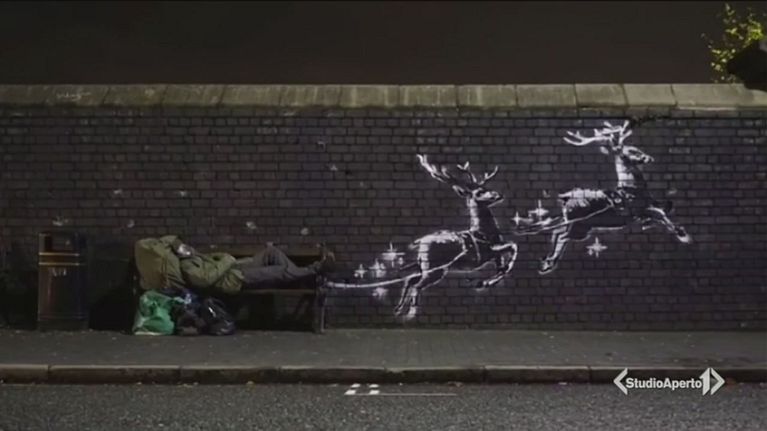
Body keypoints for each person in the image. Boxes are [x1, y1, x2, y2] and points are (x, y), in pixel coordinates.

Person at [170, 238, 334, 295]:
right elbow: (205, 280)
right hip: (234, 279)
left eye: (184, 245)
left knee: (272, 252)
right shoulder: (187, 266)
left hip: (237, 268)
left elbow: (221, 260)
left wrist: (230, 260)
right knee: (280, 270)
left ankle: (296, 278)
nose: (186, 248)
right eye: (181, 249)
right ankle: (315, 269)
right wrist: (226, 260)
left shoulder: (197, 256)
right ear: (178, 254)